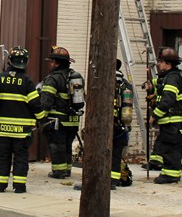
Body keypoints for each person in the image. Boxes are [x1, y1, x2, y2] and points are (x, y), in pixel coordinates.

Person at [0, 47, 46, 193]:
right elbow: (35, 104)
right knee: (21, 158)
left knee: (2, 156)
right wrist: (42, 119)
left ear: (10, 61)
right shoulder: (27, 82)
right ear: (25, 63)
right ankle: (19, 186)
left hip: (2, 129)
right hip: (22, 131)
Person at [75, 59, 133, 191]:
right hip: (120, 127)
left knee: (95, 153)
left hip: (102, 126)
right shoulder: (126, 85)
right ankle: (112, 181)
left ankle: (91, 181)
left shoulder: (102, 82)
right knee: (116, 155)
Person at [39, 46, 84, 179]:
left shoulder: (53, 78)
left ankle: (58, 171)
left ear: (57, 63)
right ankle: (67, 170)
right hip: (72, 120)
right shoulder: (75, 77)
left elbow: (46, 101)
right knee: (67, 146)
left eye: (52, 61)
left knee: (57, 145)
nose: (51, 64)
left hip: (57, 120)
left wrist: (41, 116)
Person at [148, 47, 182, 184]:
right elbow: (160, 83)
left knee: (170, 148)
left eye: (161, 62)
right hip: (170, 121)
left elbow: (167, 101)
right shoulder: (170, 77)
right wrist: (149, 86)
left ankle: (171, 175)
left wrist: (154, 116)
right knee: (167, 147)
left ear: (168, 63)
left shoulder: (172, 78)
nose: (159, 64)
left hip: (172, 121)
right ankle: (167, 172)